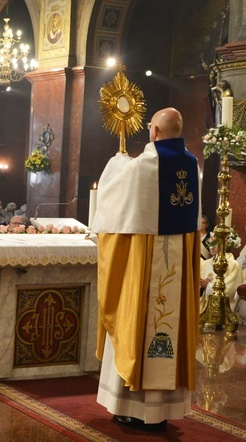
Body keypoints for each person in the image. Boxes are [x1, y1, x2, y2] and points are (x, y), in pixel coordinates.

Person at [92, 107, 200, 430]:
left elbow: (112, 195)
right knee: (170, 321)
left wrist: (117, 160)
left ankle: (131, 407)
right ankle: (162, 410)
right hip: (177, 261)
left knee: (135, 317)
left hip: (146, 262)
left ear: (154, 131)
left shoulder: (145, 165)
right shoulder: (192, 165)